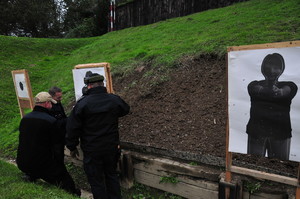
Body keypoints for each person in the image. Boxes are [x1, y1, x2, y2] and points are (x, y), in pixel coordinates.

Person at [66, 73, 130, 199]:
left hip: (92, 149)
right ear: (102, 84)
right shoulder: (113, 99)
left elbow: (73, 128)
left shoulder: (82, 104)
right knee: (112, 175)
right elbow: (125, 109)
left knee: (96, 180)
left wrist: (71, 146)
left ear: (89, 86)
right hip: (111, 146)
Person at [16, 92, 81, 197]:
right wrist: (59, 166)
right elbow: (57, 147)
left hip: (23, 163)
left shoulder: (25, 119)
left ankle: (32, 175)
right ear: (46, 104)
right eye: (51, 103)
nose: (52, 105)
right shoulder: (50, 121)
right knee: (67, 183)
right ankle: (74, 193)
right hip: (43, 165)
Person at [246, 53, 298, 160]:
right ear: (263, 67)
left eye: (276, 67)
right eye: (268, 66)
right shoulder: (254, 85)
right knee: (253, 162)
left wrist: (280, 92)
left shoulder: (289, 85)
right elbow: (256, 89)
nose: (271, 70)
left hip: (280, 134)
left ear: (281, 69)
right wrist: (272, 91)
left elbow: (288, 90)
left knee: (280, 165)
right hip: (257, 133)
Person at [48, 86, 67, 163]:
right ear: (51, 97)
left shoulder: (57, 103)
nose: (60, 99)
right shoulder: (50, 107)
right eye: (58, 97)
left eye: (61, 97)